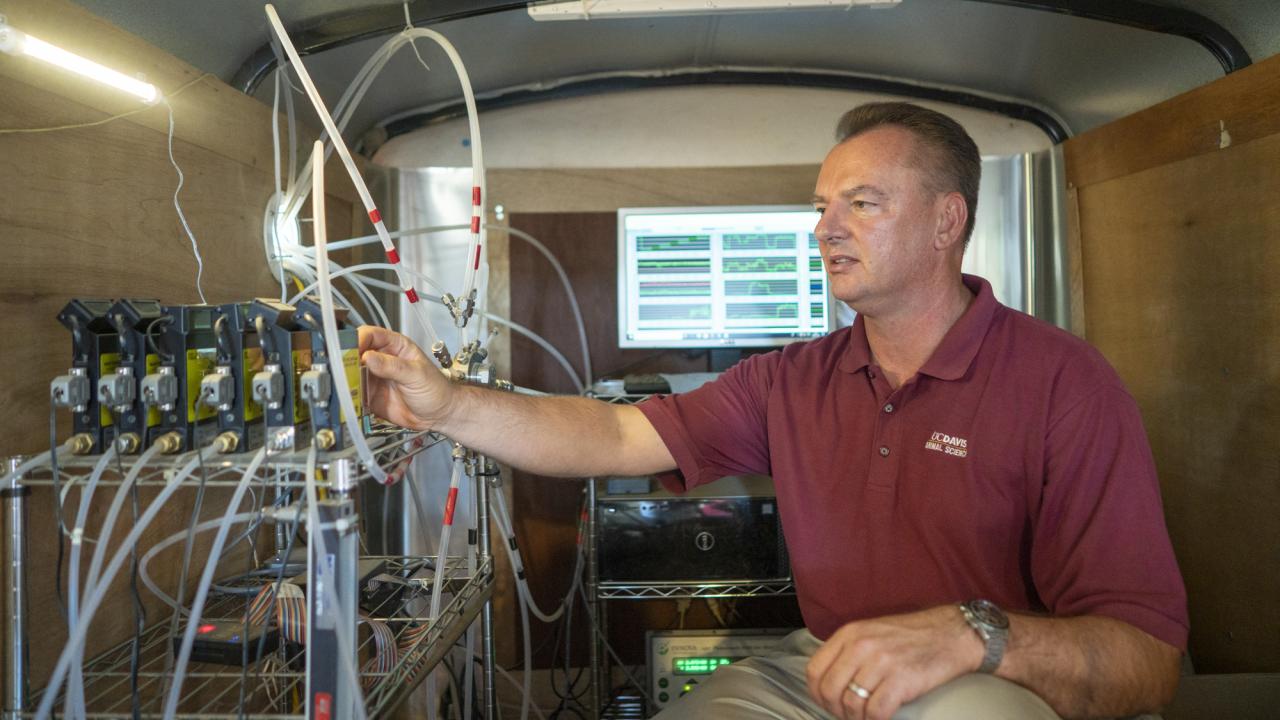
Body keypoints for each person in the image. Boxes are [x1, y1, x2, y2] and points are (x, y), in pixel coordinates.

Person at [358, 102, 1187, 720]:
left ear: (947, 220)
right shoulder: (792, 379)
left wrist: (973, 635)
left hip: (990, 677)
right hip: (823, 670)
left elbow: (1148, 659)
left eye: (861, 203)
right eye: (821, 206)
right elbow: (615, 431)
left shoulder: (1065, 385)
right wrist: (449, 404)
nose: (824, 229)